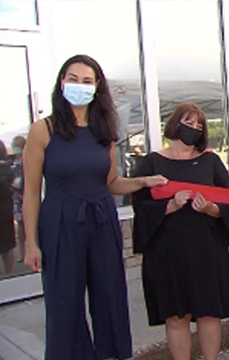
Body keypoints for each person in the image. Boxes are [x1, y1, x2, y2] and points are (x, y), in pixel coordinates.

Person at [22, 54, 167, 360]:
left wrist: (142, 182)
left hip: (102, 221)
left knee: (109, 297)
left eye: (87, 81)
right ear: (61, 83)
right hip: (60, 223)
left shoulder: (104, 132)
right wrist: (31, 242)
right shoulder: (42, 130)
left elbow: (111, 182)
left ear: (97, 87)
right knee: (65, 304)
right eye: (73, 79)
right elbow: (32, 192)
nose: (79, 86)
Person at [131, 103, 229, 360]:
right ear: (174, 125)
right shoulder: (152, 163)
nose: (193, 129)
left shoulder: (211, 161)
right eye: (188, 123)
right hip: (168, 254)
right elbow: (139, 205)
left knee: (208, 313)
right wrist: (169, 205)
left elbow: (228, 200)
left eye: (199, 126)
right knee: (176, 316)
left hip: (206, 250)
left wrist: (212, 209)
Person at [0, 140, 16, 274]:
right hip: (7, 210)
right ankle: (9, 272)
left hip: (4, 209)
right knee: (8, 246)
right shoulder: (10, 169)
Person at [11, 135, 26, 263]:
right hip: (17, 198)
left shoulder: (29, 160)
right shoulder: (13, 163)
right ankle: (22, 252)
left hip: (27, 196)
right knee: (20, 226)